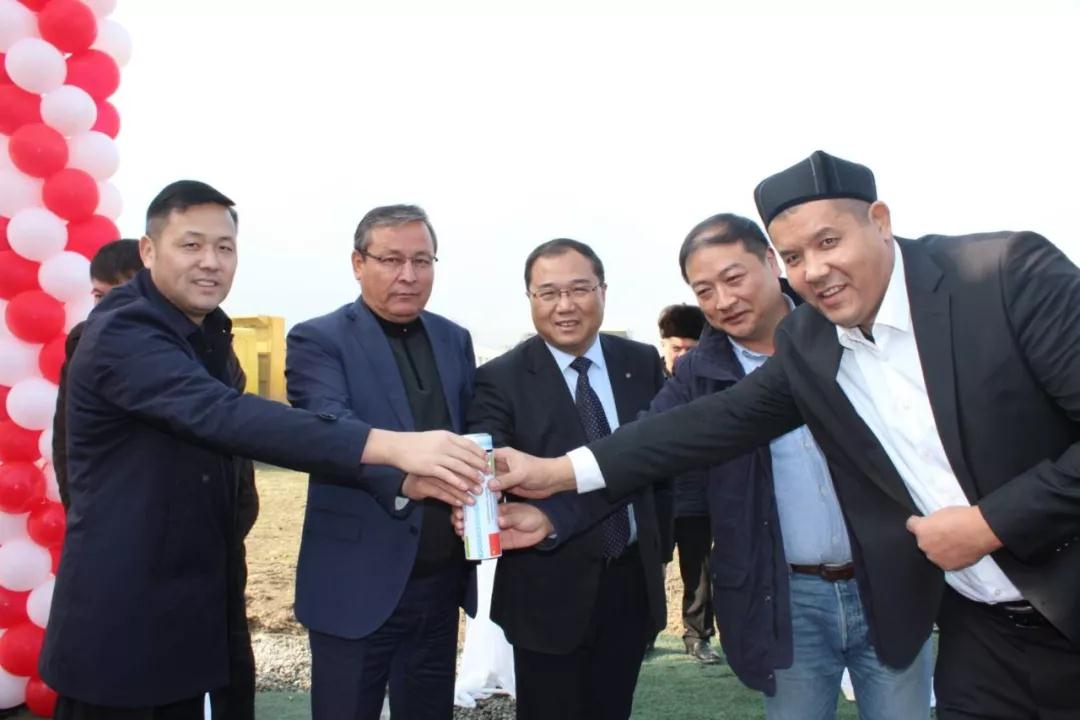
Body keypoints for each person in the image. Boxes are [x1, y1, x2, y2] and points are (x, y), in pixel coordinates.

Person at [490, 151, 1080, 719]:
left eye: (829, 242)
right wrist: (556, 474)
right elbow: (696, 428)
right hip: (973, 630)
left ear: (879, 221)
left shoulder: (1002, 274)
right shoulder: (811, 342)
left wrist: (989, 524)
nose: (815, 270)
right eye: (796, 254)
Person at [39, 180, 487, 720]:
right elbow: (226, 416)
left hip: (201, 600)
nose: (210, 261)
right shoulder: (123, 330)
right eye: (191, 245)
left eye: (224, 247)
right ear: (149, 251)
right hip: (125, 612)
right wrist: (394, 448)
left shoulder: (207, 335)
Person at [651, 213, 931, 717]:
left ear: (770, 260)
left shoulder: (848, 328)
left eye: (734, 278)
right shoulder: (698, 376)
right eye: (704, 290)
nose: (723, 300)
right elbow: (645, 444)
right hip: (784, 600)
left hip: (885, 583)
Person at [286, 204, 478, 720]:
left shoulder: (454, 339)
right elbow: (328, 427)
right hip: (355, 582)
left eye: (422, 261)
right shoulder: (318, 338)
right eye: (392, 260)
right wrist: (405, 479)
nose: (408, 275)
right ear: (358, 263)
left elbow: (473, 428)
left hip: (439, 582)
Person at [467, 239, 671, 720]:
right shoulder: (499, 379)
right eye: (548, 293)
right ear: (530, 298)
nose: (565, 305)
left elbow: (661, 459)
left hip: (631, 583)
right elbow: (496, 477)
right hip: (547, 590)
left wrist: (661, 550)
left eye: (579, 289)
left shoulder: (641, 362)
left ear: (603, 291)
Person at [53, 238, 144, 509]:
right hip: (102, 513)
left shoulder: (194, 344)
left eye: (123, 295)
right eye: (100, 296)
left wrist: (238, 515)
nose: (109, 308)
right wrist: (77, 508)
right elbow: (65, 439)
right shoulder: (81, 345)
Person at [655, 303, 722, 664]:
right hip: (655, 494)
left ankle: (698, 636)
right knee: (649, 568)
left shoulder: (710, 383)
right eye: (675, 348)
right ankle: (644, 633)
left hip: (697, 494)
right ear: (663, 345)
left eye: (690, 349)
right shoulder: (646, 380)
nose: (681, 356)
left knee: (698, 572)